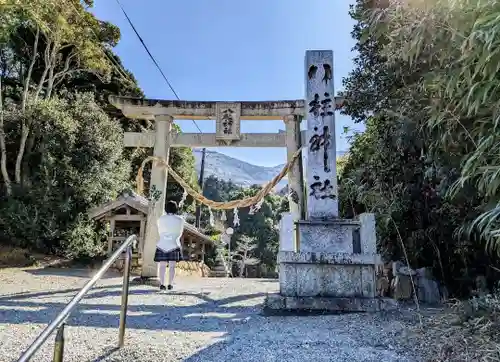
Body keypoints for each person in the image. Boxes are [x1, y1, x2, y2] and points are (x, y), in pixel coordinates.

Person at [154, 200, 185, 291]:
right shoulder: (180, 220)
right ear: (176, 209)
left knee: (162, 265)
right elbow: (180, 232)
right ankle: (170, 284)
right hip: (174, 243)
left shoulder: (160, 219)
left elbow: (160, 231)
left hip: (162, 243)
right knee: (172, 266)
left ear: (166, 208)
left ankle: (162, 284)